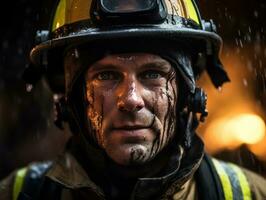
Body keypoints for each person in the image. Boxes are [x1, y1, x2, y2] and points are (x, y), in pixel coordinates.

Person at [1, 0, 266, 199]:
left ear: (189, 96)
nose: (130, 100)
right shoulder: (16, 193)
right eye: (106, 75)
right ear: (72, 101)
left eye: (152, 74)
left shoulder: (254, 194)